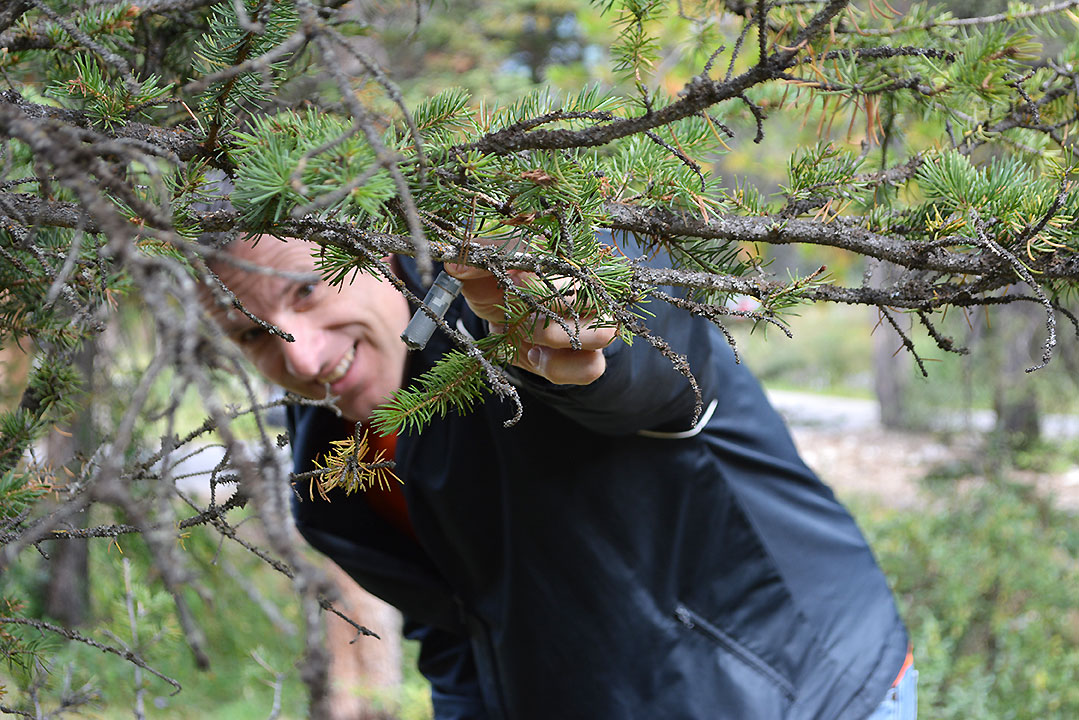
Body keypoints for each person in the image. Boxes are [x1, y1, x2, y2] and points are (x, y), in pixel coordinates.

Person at [206, 231, 916, 720]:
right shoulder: (329, 454)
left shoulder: (498, 295)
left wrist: (581, 332)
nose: (300, 360)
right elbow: (461, 626)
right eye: (252, 333)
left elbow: (653, 360)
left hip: (801, 690)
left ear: (380, 252)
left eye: (306, 294)